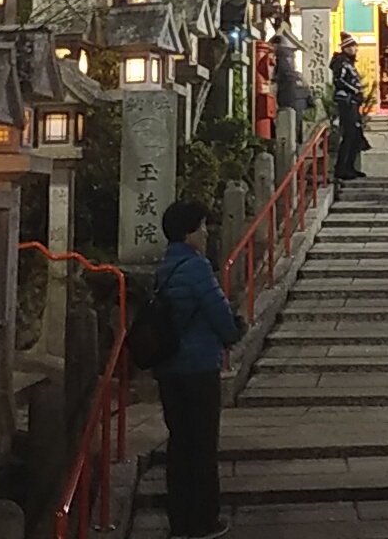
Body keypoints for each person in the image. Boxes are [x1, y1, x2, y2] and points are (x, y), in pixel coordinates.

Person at [153, 201, 241, 539]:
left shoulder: (164, 269)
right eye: (202, 226)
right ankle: (204, 520)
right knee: (203, 446)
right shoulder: (197, 268)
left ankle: (180, 521)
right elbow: (219, 313)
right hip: (199, 368)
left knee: (179, 444)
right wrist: (233, 332)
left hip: (168, 369)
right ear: (188, 232)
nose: (206, 233)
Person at [330, 35, 368, 185]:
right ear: (345, 48)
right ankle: (342, 168)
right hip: (346, 101)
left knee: (355, 135)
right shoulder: (341, 63)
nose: (355, 49)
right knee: (349, 134)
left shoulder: (348, 63)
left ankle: (350, 166)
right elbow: (339, 80)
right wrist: (354, 90)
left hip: (353, 102)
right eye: (352, 47)